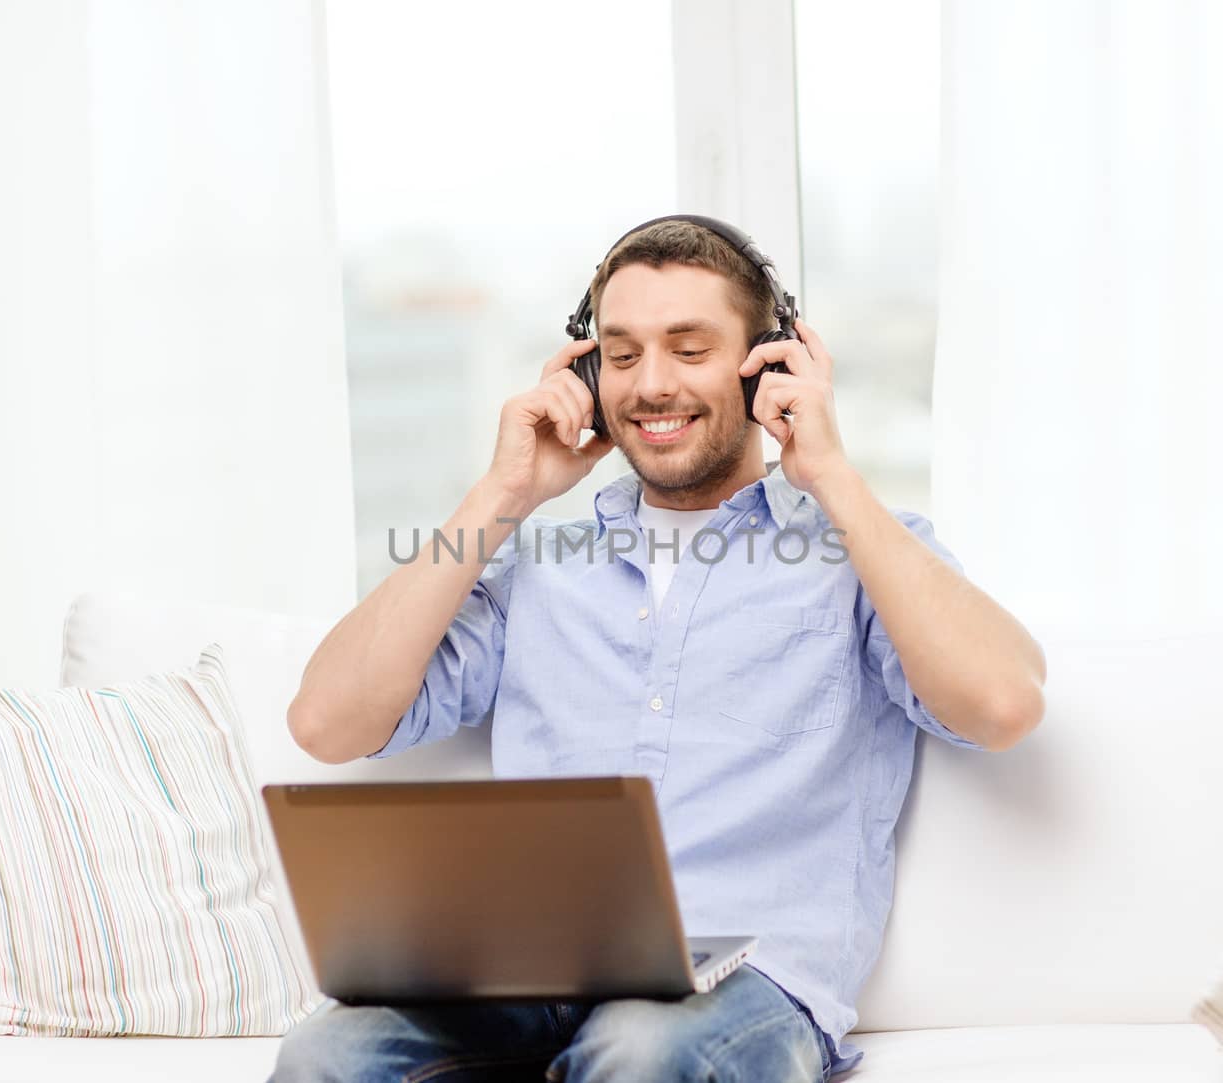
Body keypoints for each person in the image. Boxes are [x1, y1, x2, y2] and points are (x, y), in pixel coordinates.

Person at [271, 218, 1047, 1082]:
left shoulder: (859, 555)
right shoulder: (542, 570)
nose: (652, 385)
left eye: (689, 348)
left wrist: (828, 473)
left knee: (640, 1049)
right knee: (325, 1053)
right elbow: (326, 721)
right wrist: (503, 491)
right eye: (623, 353)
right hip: (533, 971)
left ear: (770, 365)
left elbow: (1004, 703)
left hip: (743, 985)